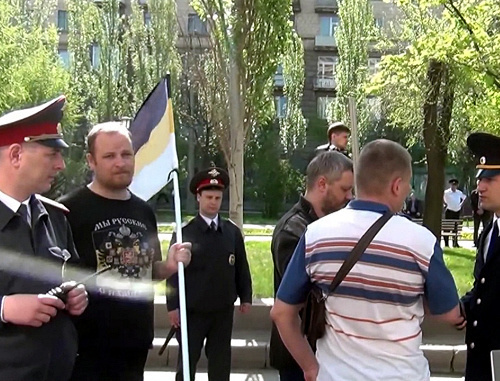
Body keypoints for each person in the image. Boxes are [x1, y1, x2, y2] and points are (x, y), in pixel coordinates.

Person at [271, 139, 464, 381]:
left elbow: (281, 313)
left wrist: (310, 368)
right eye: (408, 186)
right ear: (396, 185)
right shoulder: (421, 242)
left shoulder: (316, 235)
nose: (408, 192)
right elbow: (449, 313)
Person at [59, 121, 192, 381]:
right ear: (91, 161)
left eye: (126, 154)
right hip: (85, 350)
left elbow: (147, 271)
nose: (120, 162)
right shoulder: (68, 211)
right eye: (109, 156)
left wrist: (169, 264)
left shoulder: (144, 212)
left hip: (135, 344)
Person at [0, 96, 88, 381]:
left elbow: (71, 273)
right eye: (51, 154)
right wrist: (5, 308)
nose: (61, 164)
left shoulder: (56, 217)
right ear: (15, 155)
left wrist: (77, 293)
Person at [270, 151, 354, 381]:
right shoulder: (292, 231)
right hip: (301, 354)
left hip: (328, 349)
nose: (350, 197)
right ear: (322, 184)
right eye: (345, 189)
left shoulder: (330, 225)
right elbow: (306, 294)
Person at [167, 166, 253, 381]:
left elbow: (241, 266)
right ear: (198, 197)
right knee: (187, 363)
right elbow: (172, 274)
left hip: (222, 311)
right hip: (192, 311)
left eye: (217, 197)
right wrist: (172, 306)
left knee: (220, 362)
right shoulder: (185, 232)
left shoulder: (231, 232)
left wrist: (246, 296)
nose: (213, 202)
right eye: (208, 197)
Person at [461, 132, 500, 381]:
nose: (480, 186)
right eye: (479, 178)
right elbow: (483, 289)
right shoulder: (489, 231)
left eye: (490, 178)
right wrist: (457, 308)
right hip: (482, 364)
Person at [443, 178, 466, 247]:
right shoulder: (446, 192)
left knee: (455, 228)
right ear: (450, 185)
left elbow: (464, 198)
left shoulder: (459, 192)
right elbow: (441, 197)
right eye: (452, 185)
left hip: (457, 211)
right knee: (447, 228)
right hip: (449, 211)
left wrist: (461, 204)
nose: (453, 186)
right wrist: (445, 204)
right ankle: (446, 243)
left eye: (455, 185)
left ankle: (455, 242)